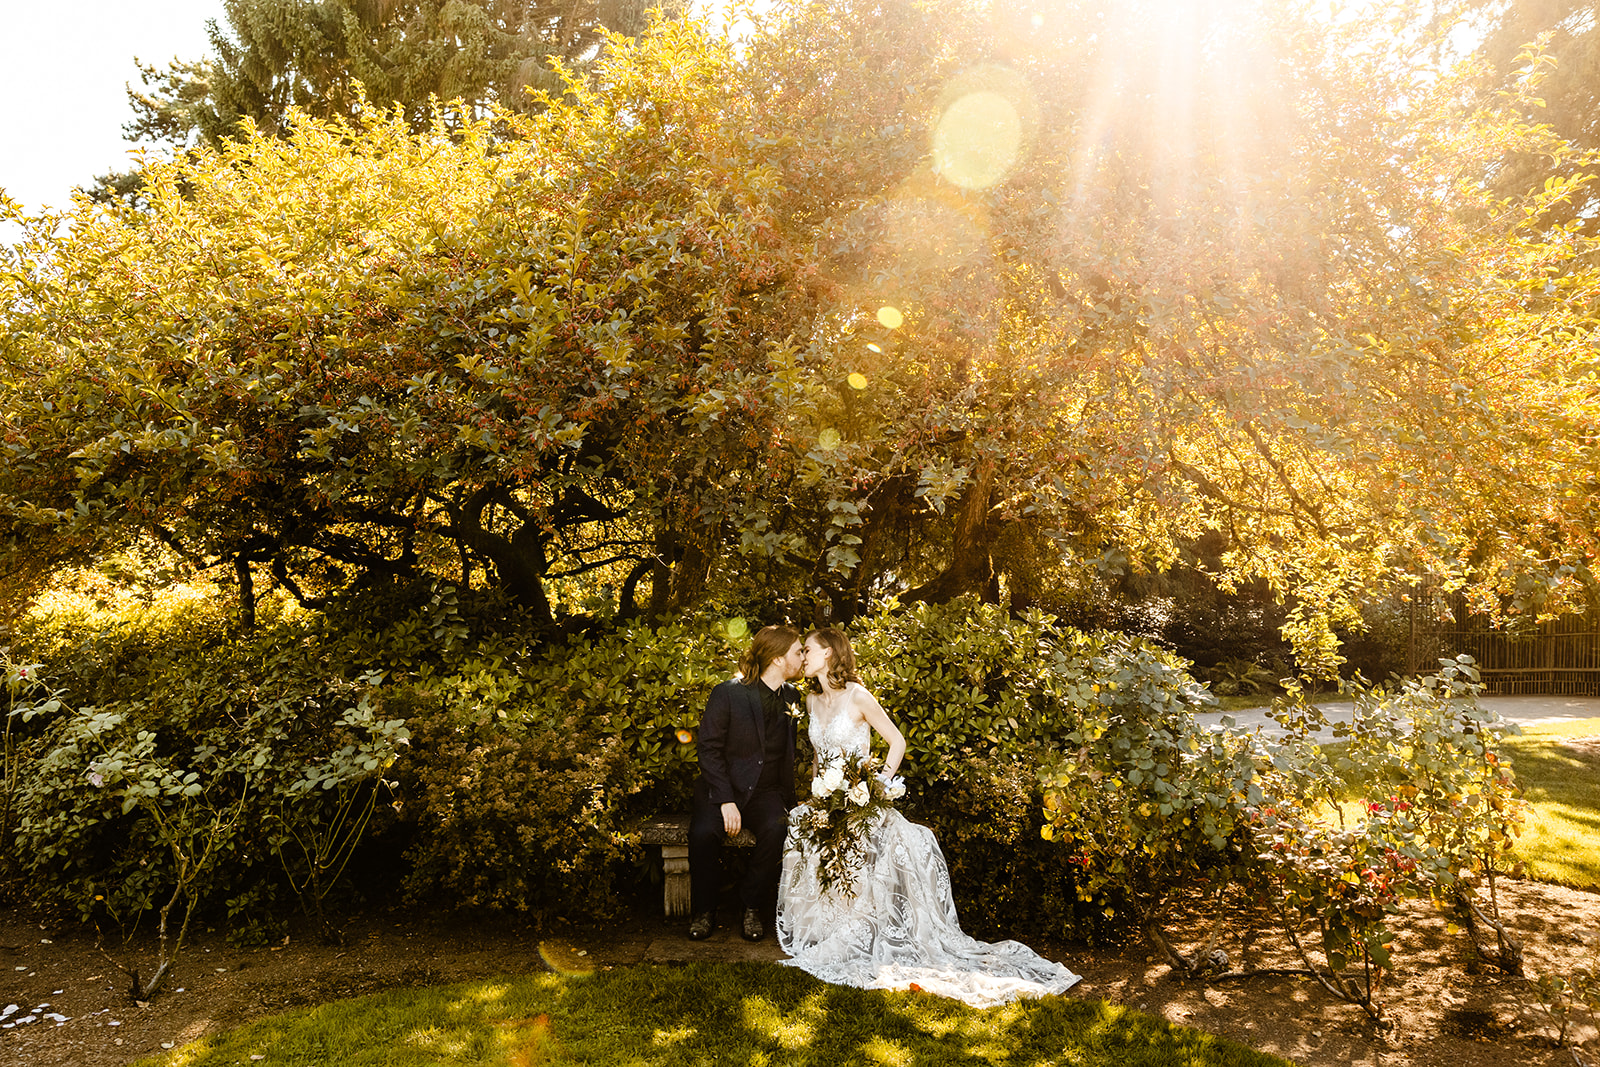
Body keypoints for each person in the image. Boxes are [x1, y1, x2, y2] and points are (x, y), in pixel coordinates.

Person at [776, 627, 1082, 1007]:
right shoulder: (811, 701)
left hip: (861, 800)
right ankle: (830, 933)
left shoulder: (859, 696)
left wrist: (876, 785)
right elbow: (821, 758)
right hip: (830, 800)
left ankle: (862, 934)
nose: (803, 655)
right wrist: (818, 795)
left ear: (830, 654)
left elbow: (897, 742)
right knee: (806, 832)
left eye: (809, 650)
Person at [687, 624, 806, 942]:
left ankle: (751, 906)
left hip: (765, 792)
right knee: (702, 833)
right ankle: (704, 910)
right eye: (798, 651)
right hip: (722, 790)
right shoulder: (729, 692)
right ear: (779, 659)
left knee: (777, 827)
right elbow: (708, 749)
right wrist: (725, 800)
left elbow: (787, 757)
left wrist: (792, 802)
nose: (803, 657)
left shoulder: (793, 696)